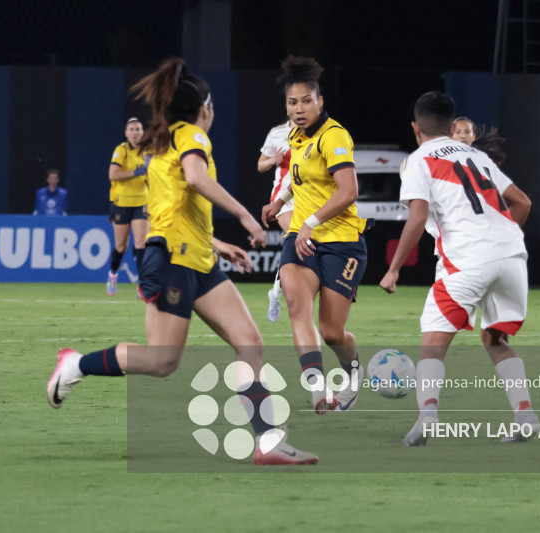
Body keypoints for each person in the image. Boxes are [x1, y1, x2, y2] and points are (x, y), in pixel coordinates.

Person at [46, 57, 318, 466]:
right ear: (204, 109)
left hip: (199, 259)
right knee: (161, 361)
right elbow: (194, 179)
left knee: (250, 343)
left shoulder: (162, 142)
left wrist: (217, 244)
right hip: (173, 261)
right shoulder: (191, 136)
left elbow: (169, 209)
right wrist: (245, 215)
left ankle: (267, 441)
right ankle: (75, 364)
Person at [380, 91, 534, 446]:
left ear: (415, 128)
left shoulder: (419, 160)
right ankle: (526, 415)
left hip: (466, 258)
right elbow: (522, 202)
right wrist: (502, 242)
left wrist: (394, 269)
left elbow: (417, 218)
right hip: (512, 255)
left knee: (433, 342)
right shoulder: (476, 155)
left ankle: (428, 417)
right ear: (452, 127)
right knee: (495, 338)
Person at [261, 56, 371, 414]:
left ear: (320, 101)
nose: (299, 108)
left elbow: (348, 192)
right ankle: (317, 388)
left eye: (306, 100)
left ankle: (353, 375)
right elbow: (300, 181)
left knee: (332, 333)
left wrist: (311, 222)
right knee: (296, 305)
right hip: (301, 237)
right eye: (292, 103)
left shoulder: (334, 136)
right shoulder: (294, 136)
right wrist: (279, 202)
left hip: (341, 242)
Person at [106, 117, 150, 296]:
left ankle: (142, 283)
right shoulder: (121, 150)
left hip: (142, 202)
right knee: (121, 246)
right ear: (126, 133)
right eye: (131, 129)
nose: (135, 133)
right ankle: (113, 273)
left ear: (143, 132)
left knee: (141, 244)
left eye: (138, 129)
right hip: (122, 202)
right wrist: (136, 172)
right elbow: (113, 175)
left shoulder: (149, 151)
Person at [257, 120, 294, 322]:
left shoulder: (318, 132)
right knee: (297, 237)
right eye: (293, 102)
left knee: (298, 247)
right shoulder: (277, 133)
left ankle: (276, 292)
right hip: (282, 198)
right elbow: (260, 165)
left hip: (309, 198)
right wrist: (274, 160)